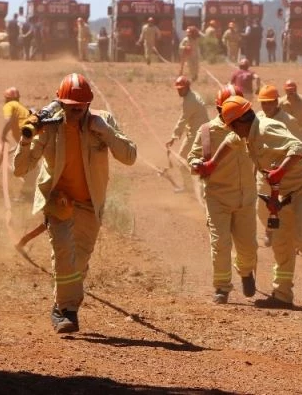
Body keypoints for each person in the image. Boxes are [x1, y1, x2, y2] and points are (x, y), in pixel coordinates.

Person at [13, 73, 137, 334]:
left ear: (88, 106)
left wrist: (106, 132)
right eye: (69, 107)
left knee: (79, 261)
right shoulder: (50, 127)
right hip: (59, 201)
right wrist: (25, 140)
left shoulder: (102, 122)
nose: (74, 112)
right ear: (60, 104)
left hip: (91, 203)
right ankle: (66, 310)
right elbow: (20, 168)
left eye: (80, 108)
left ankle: (63, 304)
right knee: (63, 256)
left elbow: (129, 156)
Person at [218, 95, 302, 312]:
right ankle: (282, 294)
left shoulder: (266, 129)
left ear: (240, 122)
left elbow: (298, 147)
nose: (232, 132)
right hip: (285, 193)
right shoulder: (248, 135)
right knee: (281, 241)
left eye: (232, 127)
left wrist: (280, 171)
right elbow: (232, 144)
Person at [187, 87, 257, 305]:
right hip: (218, 196)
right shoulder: (207, 131)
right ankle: (222, 287)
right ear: (220, 108)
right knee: (220, 243)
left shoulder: (252, 128)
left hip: (246, 196)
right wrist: (196, 164)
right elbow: (193, 157)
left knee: (248, 246)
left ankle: (245, 272)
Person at [255, 84, 302, 247]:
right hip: (265, 172)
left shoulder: (289, 121)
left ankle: (291, 234)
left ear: (277, 102)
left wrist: (285, 166)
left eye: (269, 102)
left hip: (287, 171)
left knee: (290, 205)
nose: (266, 106)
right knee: (262, 207)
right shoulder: (257, 118)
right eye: (263, 103)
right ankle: (270, 230)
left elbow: (300, 147)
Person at [166, 76, 209, 193]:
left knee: (181, 159)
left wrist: (173, 137)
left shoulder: (190, 101)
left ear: (187, 87)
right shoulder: (192, 96)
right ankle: (200, 185)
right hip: (201, 133)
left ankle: (189, 188)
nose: (179, 91)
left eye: (181, 89)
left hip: (197, 134)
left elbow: (183, 119)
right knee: (198, 161)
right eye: (178, 89)